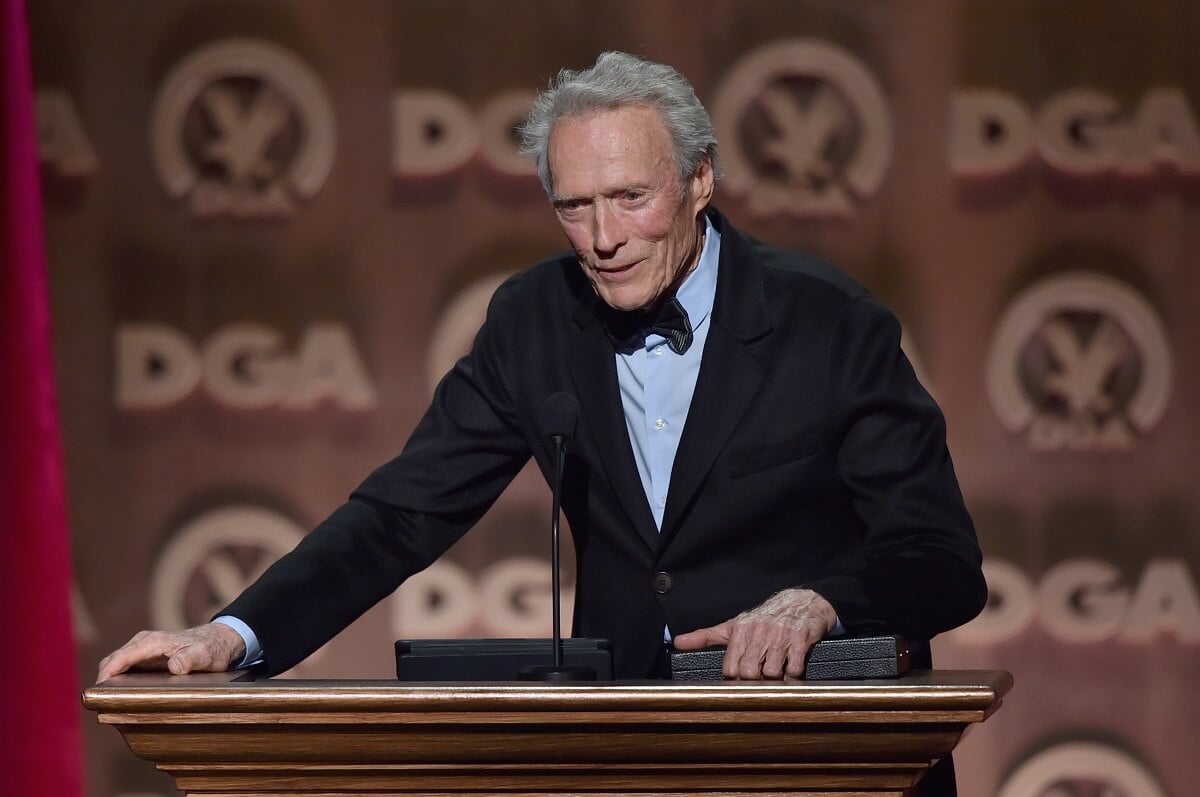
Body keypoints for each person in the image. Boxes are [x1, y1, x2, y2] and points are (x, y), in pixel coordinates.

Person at [100, 49, 984, 707]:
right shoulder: (533, 320)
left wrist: (821, 602)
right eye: (574, 206)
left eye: (631, 198)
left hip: (819, 746)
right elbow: (402, 513)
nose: (603, 237)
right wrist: (231, 634)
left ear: (701, 180)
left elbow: (940, 562)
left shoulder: (827, 323)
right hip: (625, 751)